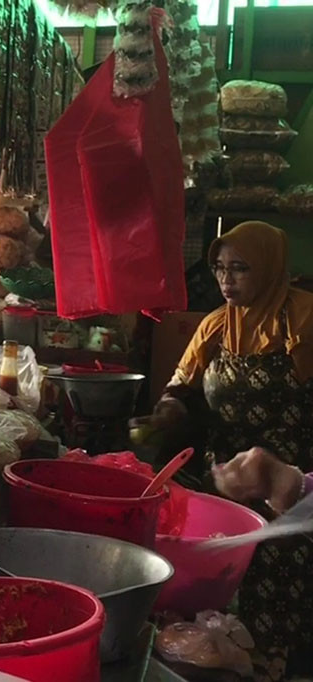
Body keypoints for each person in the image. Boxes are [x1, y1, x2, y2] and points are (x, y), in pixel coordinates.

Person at [152, 221, 313, 680]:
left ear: (269, 267)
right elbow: (179, 388)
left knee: (281, 596)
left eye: (240, 269)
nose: (226, 280)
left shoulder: (305, 318)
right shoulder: (215, 325)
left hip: (290, 484)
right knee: (220, 594)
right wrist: (164, 414)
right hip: (226, 481)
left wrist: (289, 479)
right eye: (220, 268)